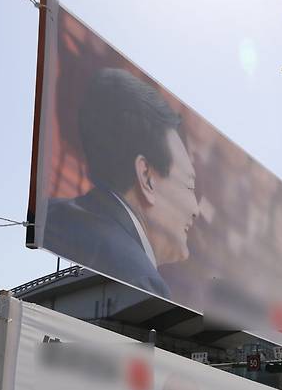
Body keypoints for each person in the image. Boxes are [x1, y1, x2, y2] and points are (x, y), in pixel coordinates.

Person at [44, 68, 199, 299]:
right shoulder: (141, 282)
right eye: (189, 186)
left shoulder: (51, 214)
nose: (196, 209)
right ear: (146, 176)